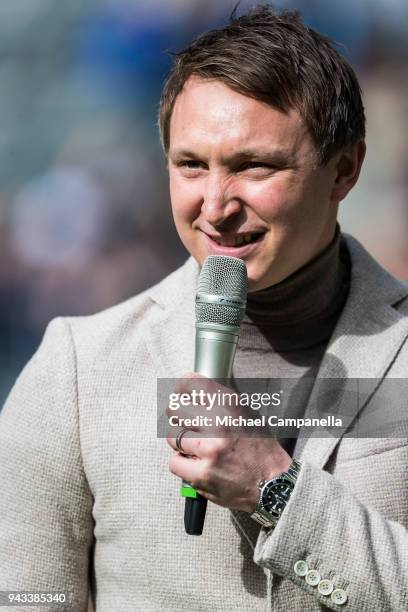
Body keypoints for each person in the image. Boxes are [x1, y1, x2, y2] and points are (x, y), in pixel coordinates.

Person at [1, 5, 408, 611]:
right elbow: (26, 598)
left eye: (254, 166)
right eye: (191, 164)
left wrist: (276, 489)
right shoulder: (78, 368)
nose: (215, 206)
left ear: (344, 170)